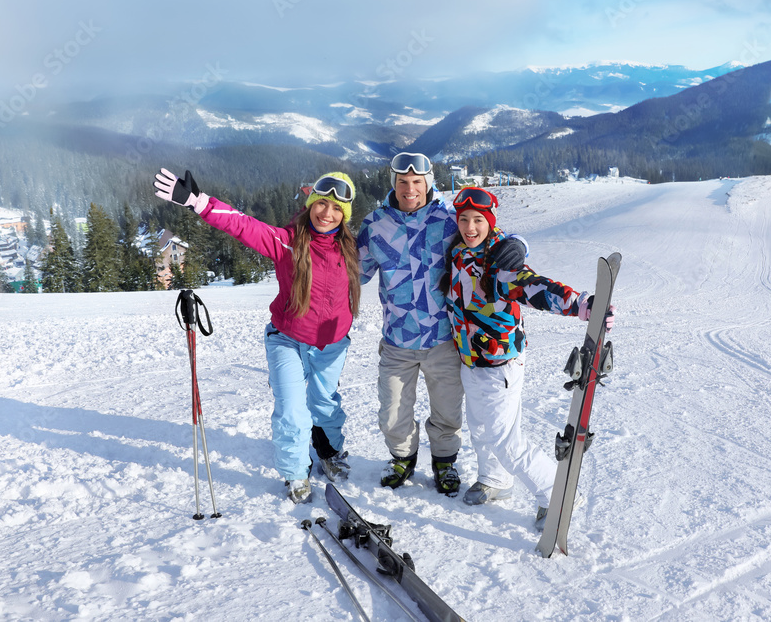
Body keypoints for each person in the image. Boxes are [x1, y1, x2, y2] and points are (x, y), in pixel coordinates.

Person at [154, 168, 360, 504]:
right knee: (293, 410)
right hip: (288, 339)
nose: (327, 213)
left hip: (331, 346)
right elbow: (243, 225)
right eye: (322, 204)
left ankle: (330, 452)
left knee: (324, 405)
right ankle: (296, 472)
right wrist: (199, 202)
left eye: (337, 208)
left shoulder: (351, 249)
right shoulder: (288, 242)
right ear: (310, 205)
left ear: (345, 215)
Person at [441, 186, 613, 530]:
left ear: (490, 222)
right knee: (480, 427)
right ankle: (495, 479)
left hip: (500, 362)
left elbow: (536, 287)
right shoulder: (459, 250)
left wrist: (581, 304)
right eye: (464, 220)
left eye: (478, 220)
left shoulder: (501, 263)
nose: (470, 227)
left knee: (505, 438)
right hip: (471, 359)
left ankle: (556, 492)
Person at [356, 152, 527, 497]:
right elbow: (352, 272)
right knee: (392, 410)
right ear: (394, 184)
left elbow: (490, 236)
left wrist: (519, 246)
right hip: (397, 340)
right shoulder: (374, 226)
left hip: (443, 338)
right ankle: (402, 458)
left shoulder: (449, 219)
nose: (410, 189)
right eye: (403, 182)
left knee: (447, 410)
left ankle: (444, 462)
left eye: (417, 182)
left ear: (428, 183)